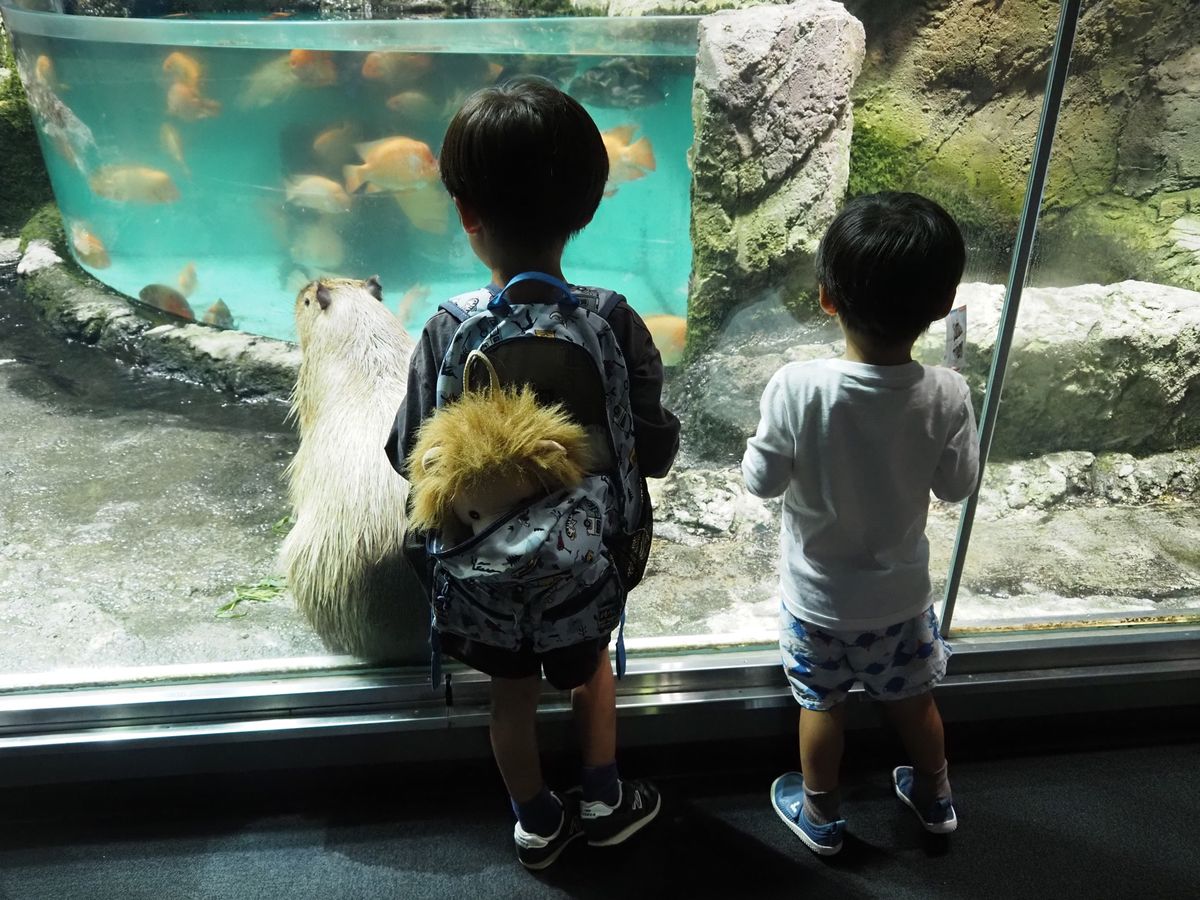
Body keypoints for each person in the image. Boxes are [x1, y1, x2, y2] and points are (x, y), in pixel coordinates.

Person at [385, 77, 680, 870]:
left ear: (465, 213)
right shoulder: (614, 319)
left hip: (484, 577)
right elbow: (649, 448)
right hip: (587, 570)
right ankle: (605, 797)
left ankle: (537, 820)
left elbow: (405, 452)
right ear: (588, 205)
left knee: (509, 696)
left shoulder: (448, 325)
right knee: (590, 674)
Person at [742, 191, 980, 856]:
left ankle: (820, 814)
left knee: (821, 708)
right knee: (914, 702)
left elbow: (761, 482)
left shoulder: (796, 385)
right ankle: (934, 795)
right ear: (942, 304)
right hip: (900, 603)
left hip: (817, 602)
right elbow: (957, 485)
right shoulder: (947, 392)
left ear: (826, 298)